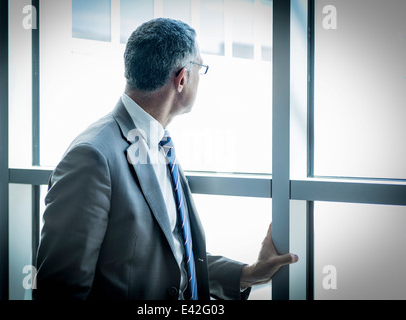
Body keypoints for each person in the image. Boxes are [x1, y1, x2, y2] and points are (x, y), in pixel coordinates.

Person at [33, 18, 298, 300]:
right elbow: (59, 291)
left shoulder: (160, 143)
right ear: (182, 78)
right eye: (201, 69)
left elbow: (171, 257)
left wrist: (248, 273)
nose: (200, 77)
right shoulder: (92, 156)